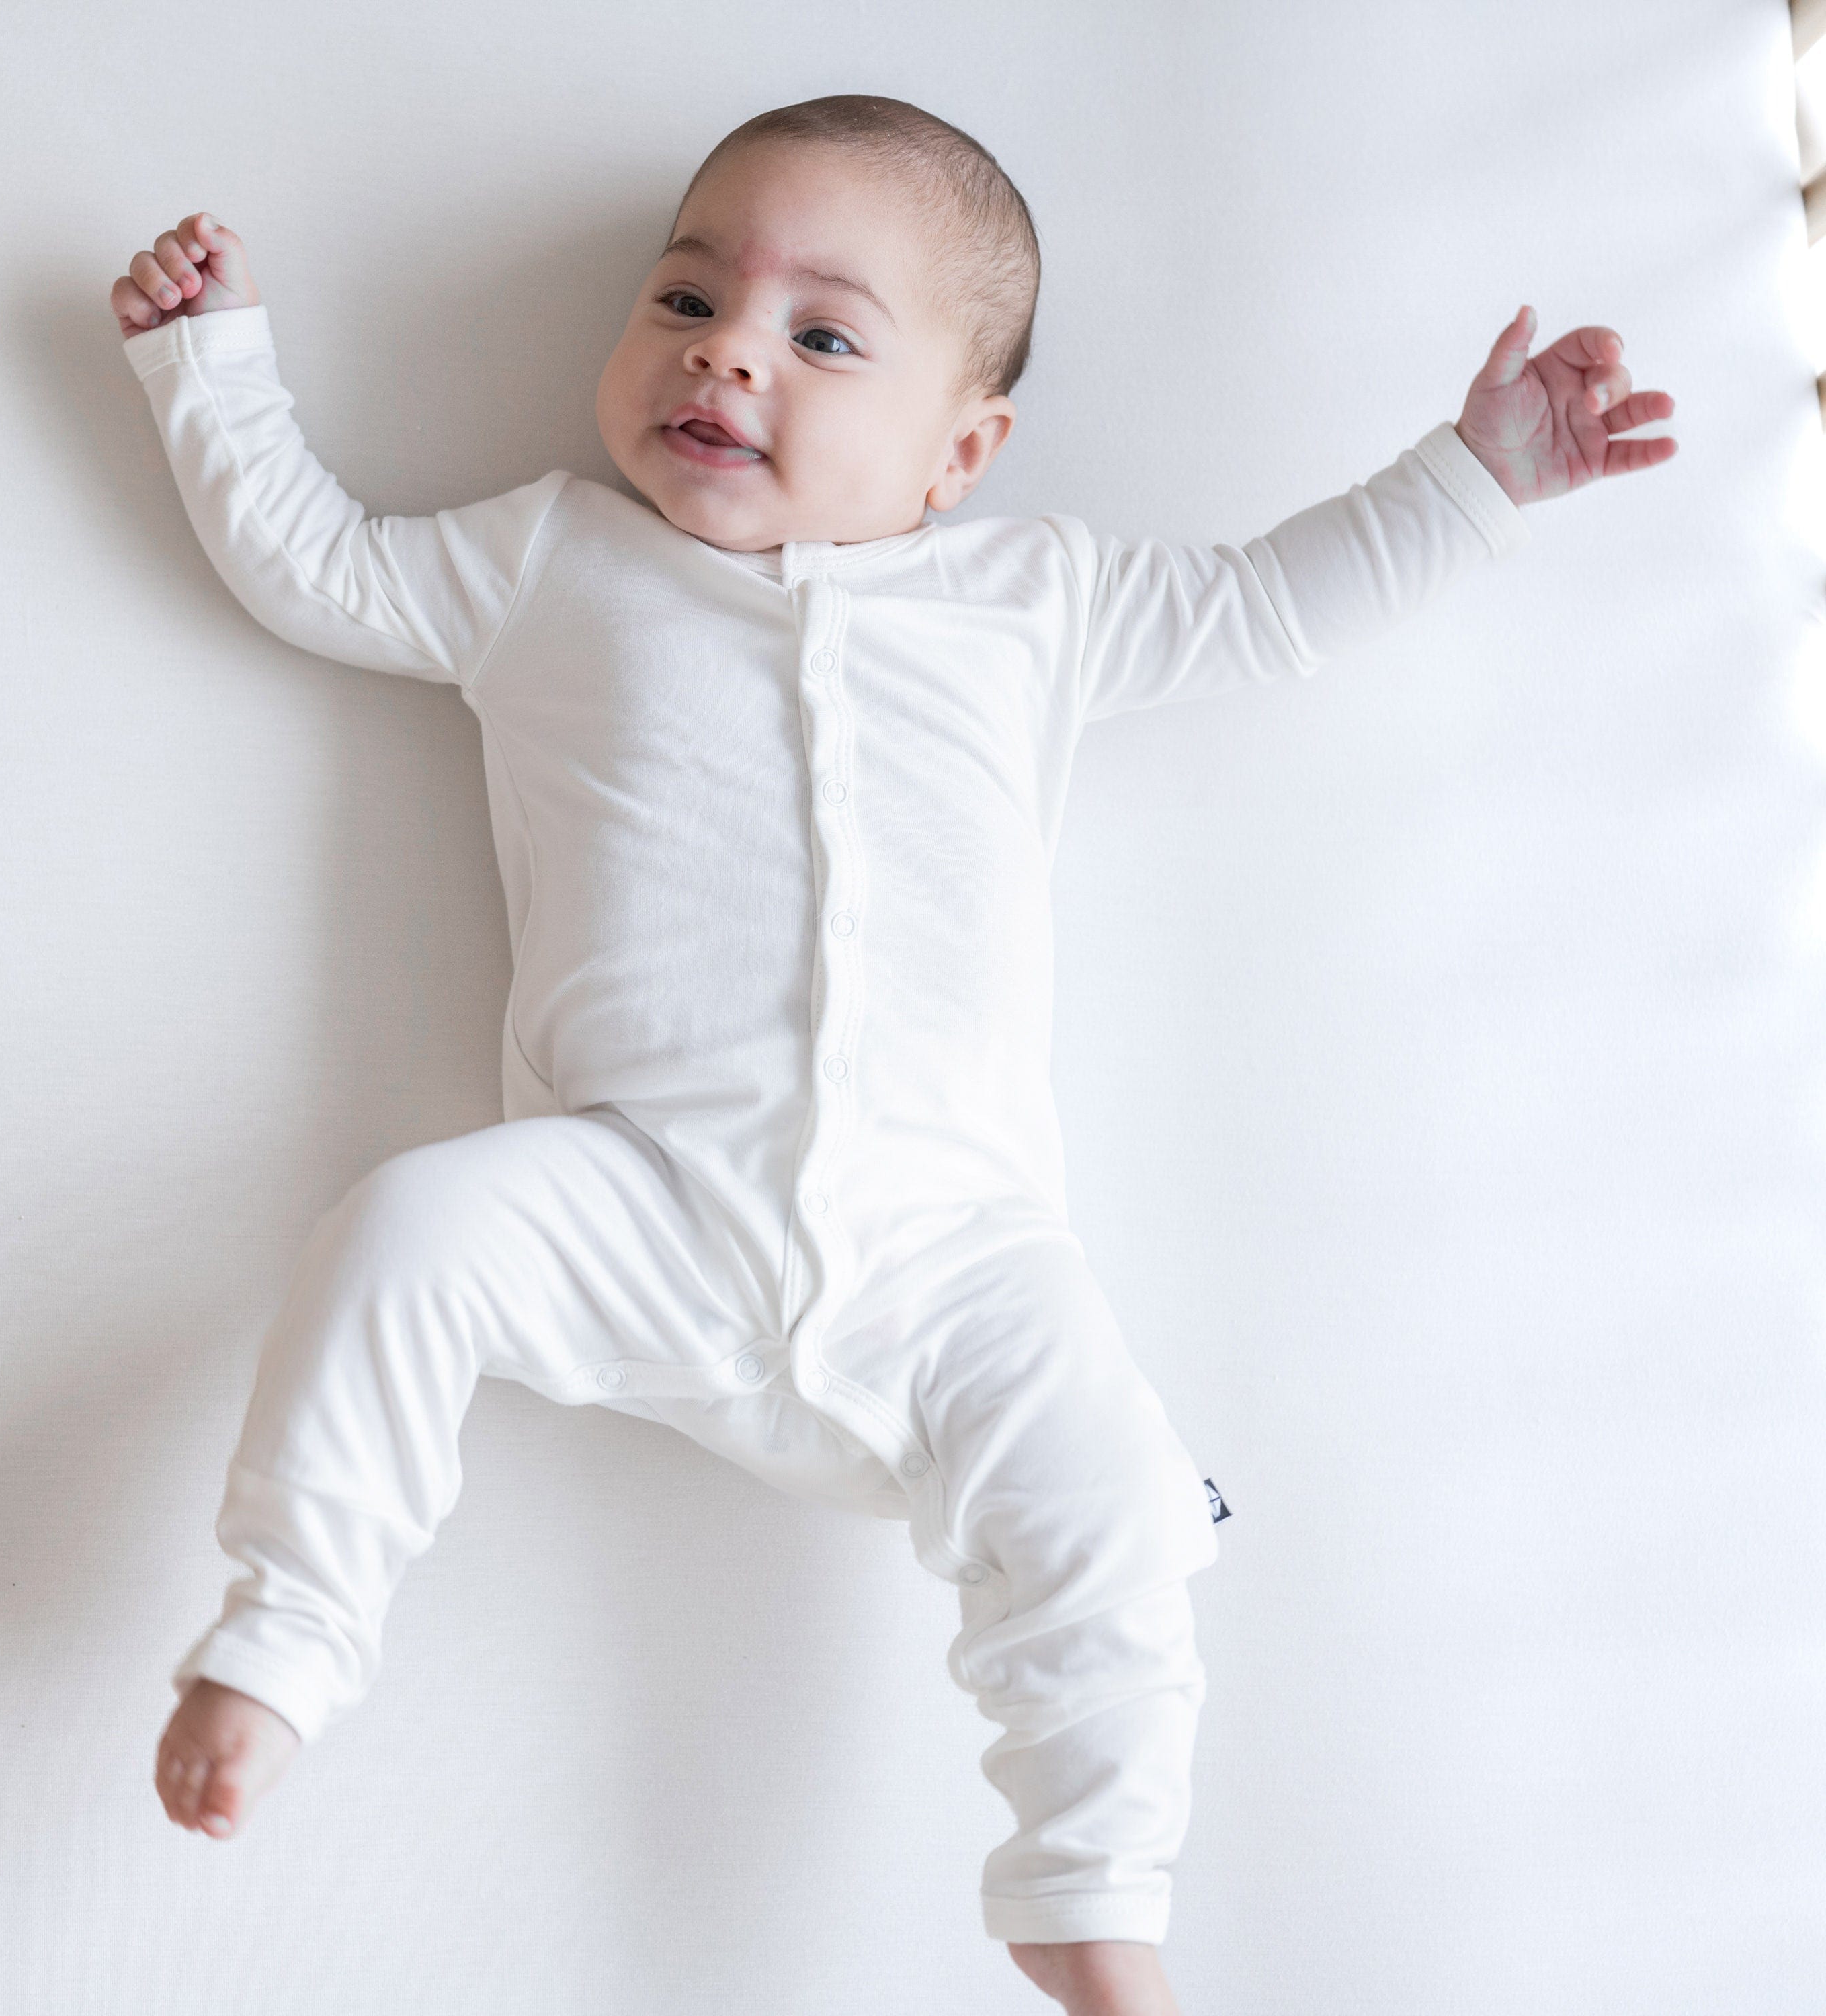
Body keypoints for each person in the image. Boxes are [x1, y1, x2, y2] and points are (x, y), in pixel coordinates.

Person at [111, 95, 1675, 2016]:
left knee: (1109, 1511)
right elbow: (315, 563)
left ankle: (1090, 1898)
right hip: (641, 1198)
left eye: (823, 335)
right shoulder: (547, 565)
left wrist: (1478, 475)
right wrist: (213, 361)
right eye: (686, 295)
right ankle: (288, 1634)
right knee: (403, 1234)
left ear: (963, 452)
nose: (726, 349)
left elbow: (1278, 604)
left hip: (960, 1259)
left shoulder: (1041, 603)